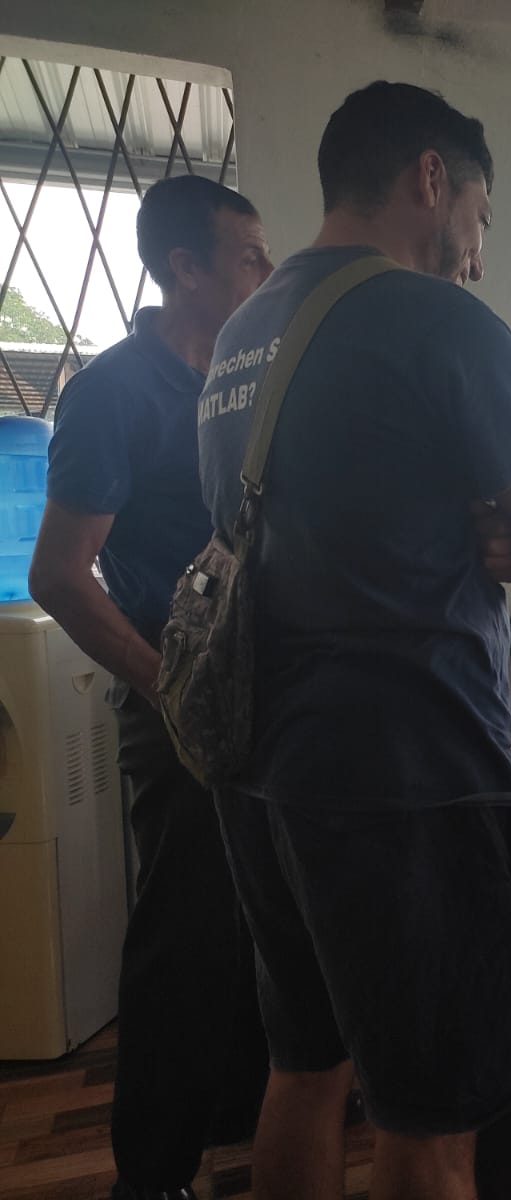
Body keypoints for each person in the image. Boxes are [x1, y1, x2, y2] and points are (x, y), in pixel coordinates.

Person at [194, 82, 511, 1200]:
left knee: (306, 1065)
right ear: (431, 177)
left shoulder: (243, 336)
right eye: (481, 215)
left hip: (261, 759)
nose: (477, 250)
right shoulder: (438, 321)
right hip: (408, 767)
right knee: (430, 1119)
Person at [30, 174, 273, 1200]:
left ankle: (245, 1123)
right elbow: (59, 575)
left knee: (265, 923)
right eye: (249, 256)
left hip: (268, 695)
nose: (267, 272)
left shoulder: (250, 381)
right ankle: (153, 1175)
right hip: (176, 704)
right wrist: (168, 684)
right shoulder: (114, 392)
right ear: (185, 268)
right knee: (185, 939)